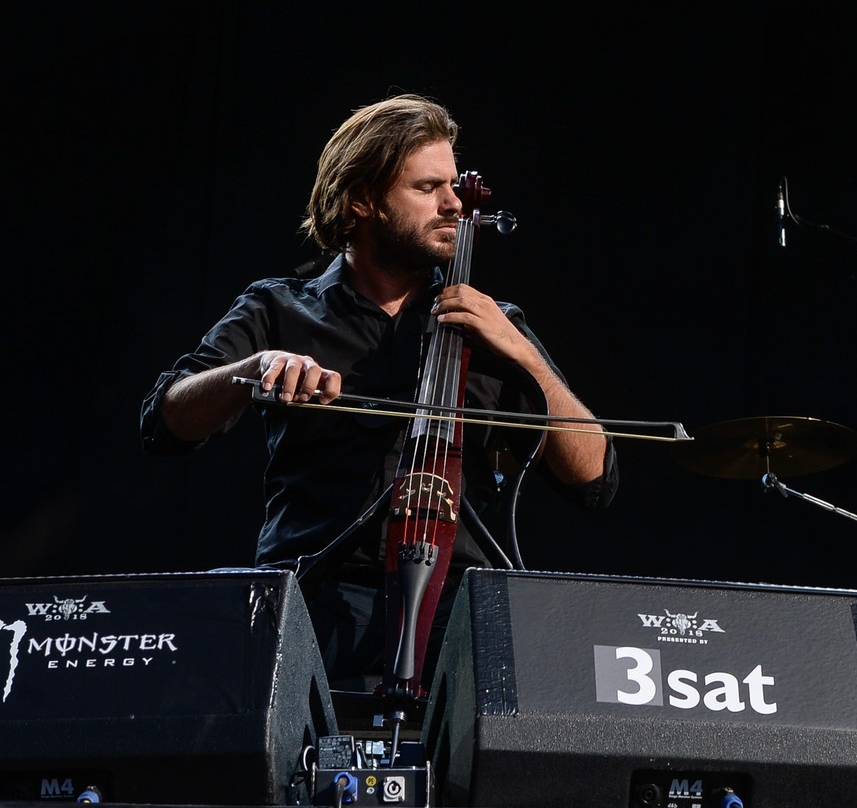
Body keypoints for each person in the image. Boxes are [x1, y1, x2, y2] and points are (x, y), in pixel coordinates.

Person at [141, 94, 618, 695]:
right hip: (315, 599)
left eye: (454, 186)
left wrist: (522, 355)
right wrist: (254, 367)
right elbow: (166, 422)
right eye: (427, 188)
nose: (453, 205)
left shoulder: (492, 323)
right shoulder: (277, 307)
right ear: (361, 200)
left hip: (461, 612)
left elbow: (593, 478)